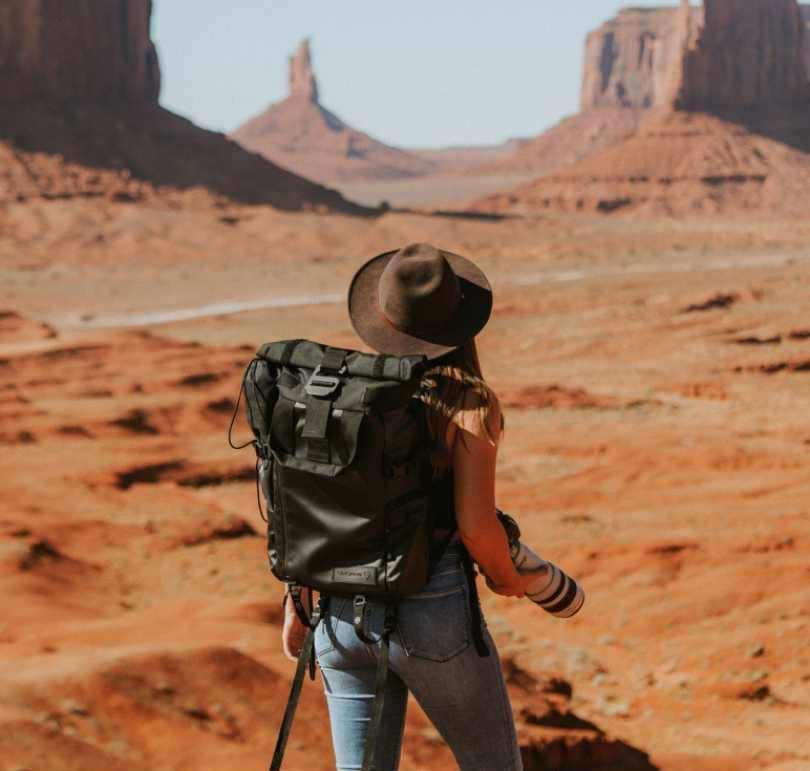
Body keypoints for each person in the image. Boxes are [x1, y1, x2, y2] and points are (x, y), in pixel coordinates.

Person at [281, 243, 535, 770]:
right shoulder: (468, 404)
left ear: (379, 319)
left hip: (338, 616)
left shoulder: (342, 398)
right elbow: (476, 527)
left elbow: (311, 508)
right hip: (431, 612)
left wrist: (296, 600)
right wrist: (510, 577)